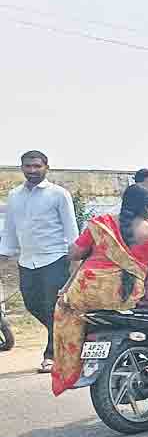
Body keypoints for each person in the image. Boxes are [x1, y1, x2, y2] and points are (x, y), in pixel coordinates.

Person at [51, 184, 148, 395]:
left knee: (66, 316)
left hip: (84, 293)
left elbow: (74, 254)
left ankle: (66, 373)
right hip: (121, 296)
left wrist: (95, 246)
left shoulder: (101, 224)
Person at [0, 150, 78, 373]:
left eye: (37, 166)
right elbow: (10, 229)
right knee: (32, 304)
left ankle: (51, 356)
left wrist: (75, 258)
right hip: (27, 260)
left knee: (53, 308)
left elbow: (71, 228)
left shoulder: (59, 194)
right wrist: (4, 254)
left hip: (55, 258)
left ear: (46, 167)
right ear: (22, 168)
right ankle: (69, 334)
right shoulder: (14, 195)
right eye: (28, 166)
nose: (32, 170)